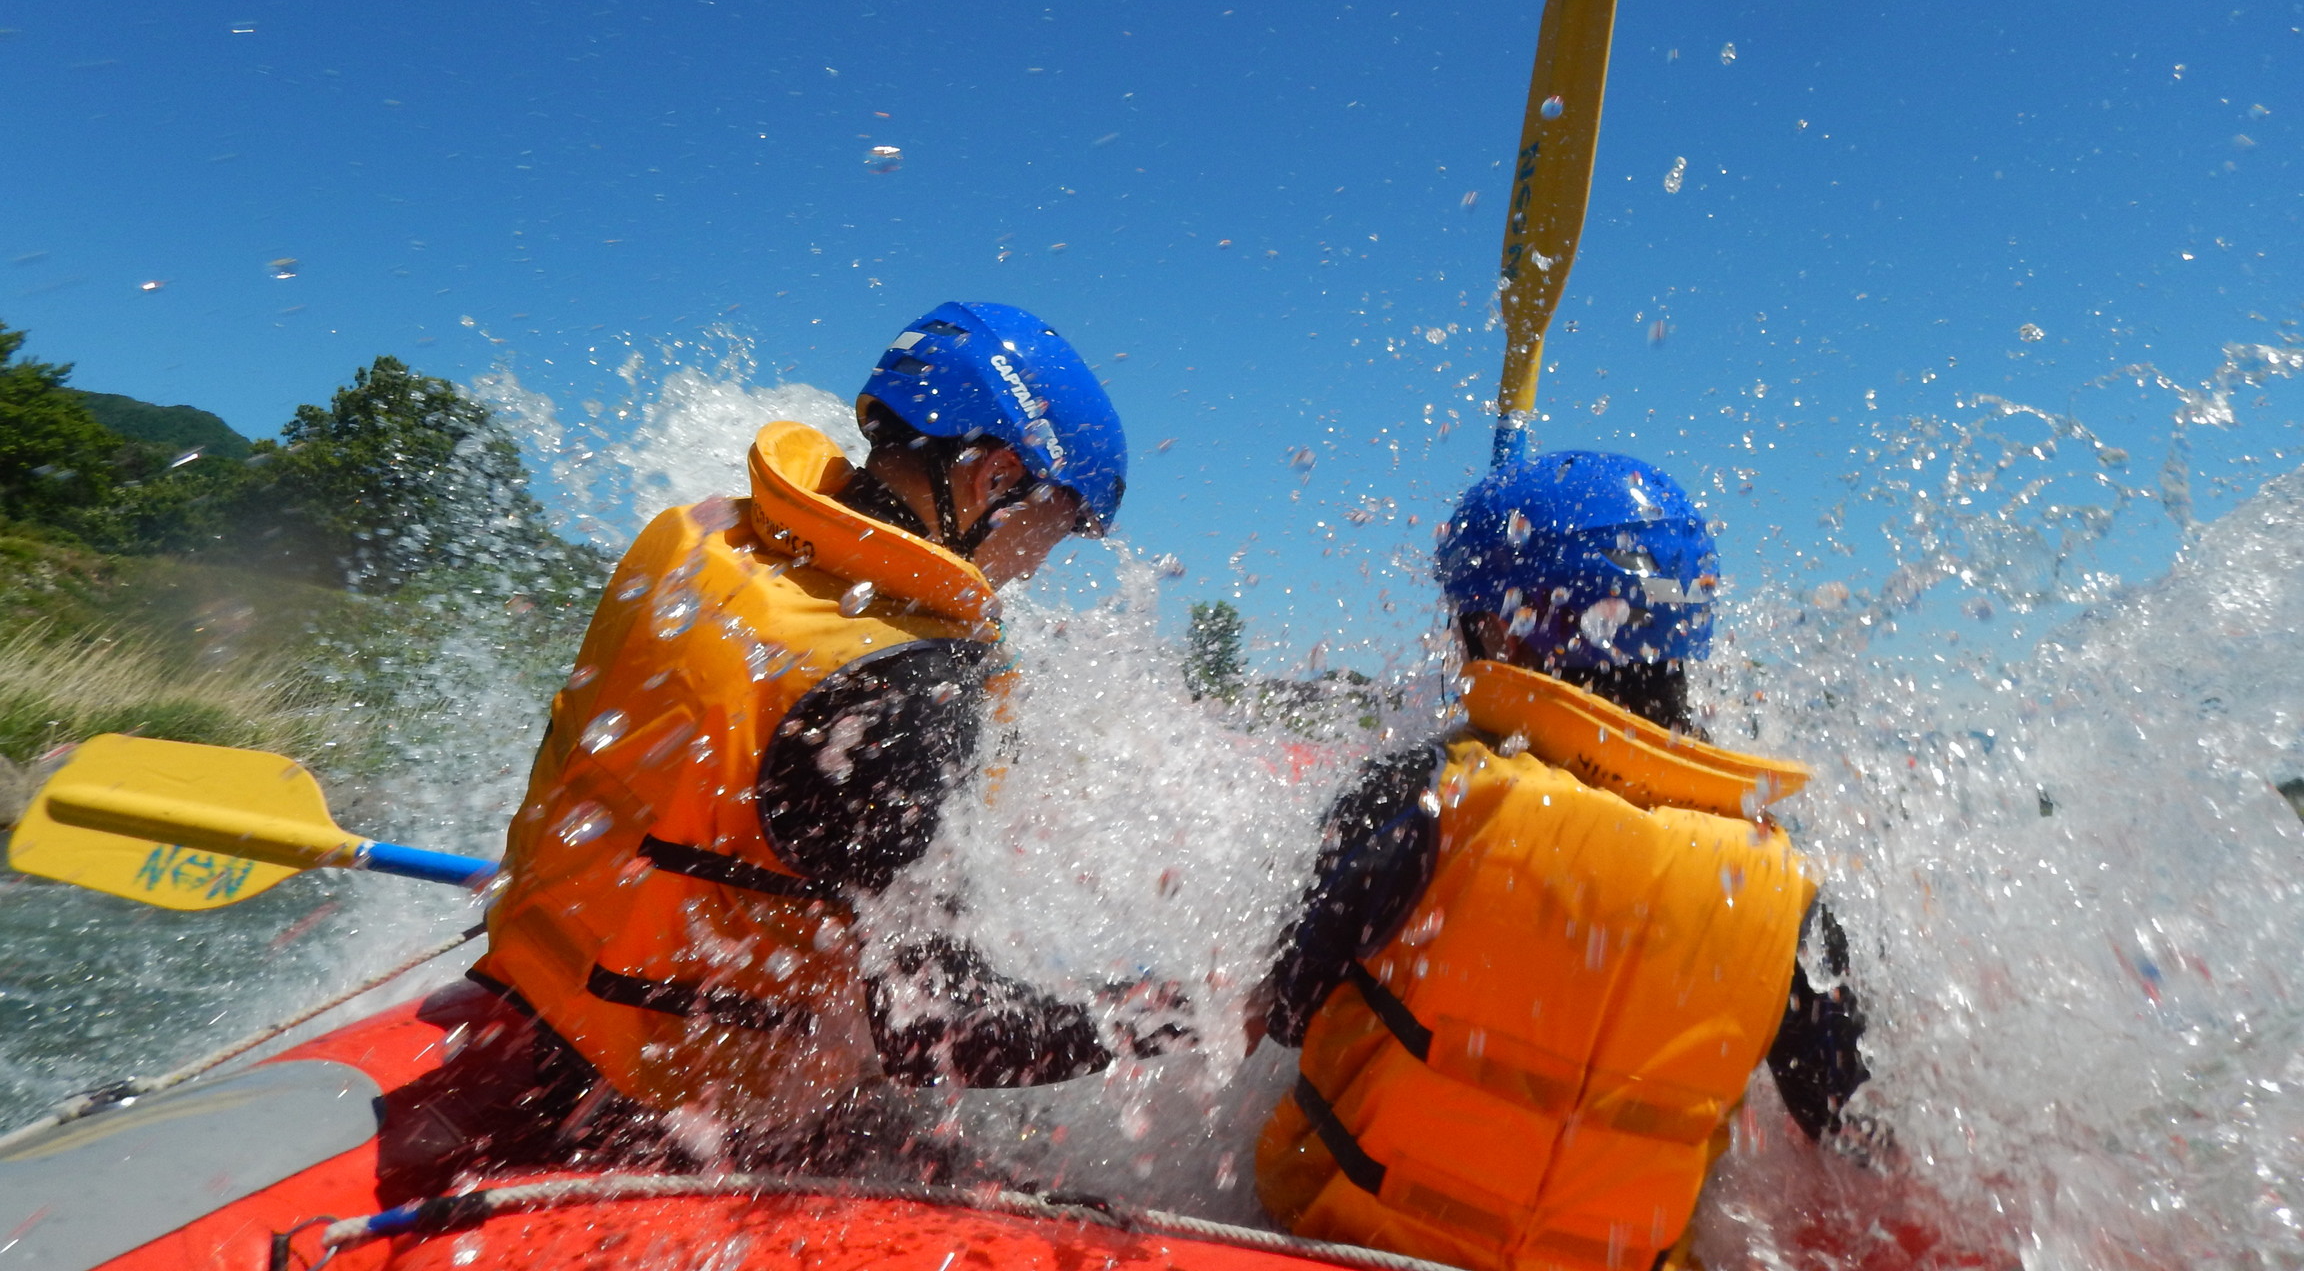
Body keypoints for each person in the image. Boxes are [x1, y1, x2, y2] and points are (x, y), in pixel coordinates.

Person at [476, 301, 1178, 1162]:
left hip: (531, 1008)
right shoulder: (905, 688)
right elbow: (932, 1033)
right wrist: (1163, 1018)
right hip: (677, 1120)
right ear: (995, 479)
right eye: (1057, 525)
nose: (1038, 563)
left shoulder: (700, 535)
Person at [1252, 450, 1868, 1271]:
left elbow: (1284, 1015)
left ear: (1500, 628)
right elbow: (1848, 1120)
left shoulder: (1427, 797)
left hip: (1339, 1247)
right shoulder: (1788, 890)